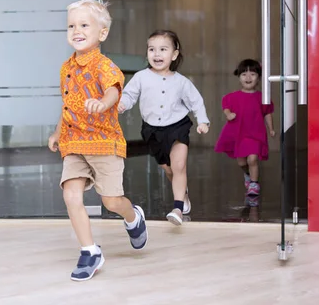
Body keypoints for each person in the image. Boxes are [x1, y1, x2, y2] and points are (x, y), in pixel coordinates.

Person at [48, 0, 148, 282]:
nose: (76, 31)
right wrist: (58, 132)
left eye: (83, 25)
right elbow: (67, 105)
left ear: (101, 33)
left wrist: (104, 103)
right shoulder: (66, 68)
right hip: (74, 143)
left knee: (112, 201)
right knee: (71, 195)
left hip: (104, 143)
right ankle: (90, 251)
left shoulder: (105, 66)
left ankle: (133, 217)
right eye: (71, 26)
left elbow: (114, 91)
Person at [117, 30, 210, 226]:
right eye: (152, 49)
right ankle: (182, 192)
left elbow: (196, 101)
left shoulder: (181, 81)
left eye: (162, 49)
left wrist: (202, 121)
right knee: (168, 169)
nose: (157, 54)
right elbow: (129, 94)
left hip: (177, 126)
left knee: (179, 166)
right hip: (153, 130)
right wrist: (122, 103)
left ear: (174, 55)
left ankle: (177, 207)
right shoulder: (141, 77)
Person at [214, 59, 275, 196]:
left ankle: (254, 184)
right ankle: (247, 174)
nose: (248, 77)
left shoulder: (262, 97)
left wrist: (271, 128)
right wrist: (229, 114)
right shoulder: (232, 97)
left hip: (255, 133)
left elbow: (267, 113)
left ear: (258, 77)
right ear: (239, 77)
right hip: (238, 133)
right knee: (241, 161)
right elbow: (226, 108)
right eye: (244, 74)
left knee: (252, 159)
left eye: (252, 74)